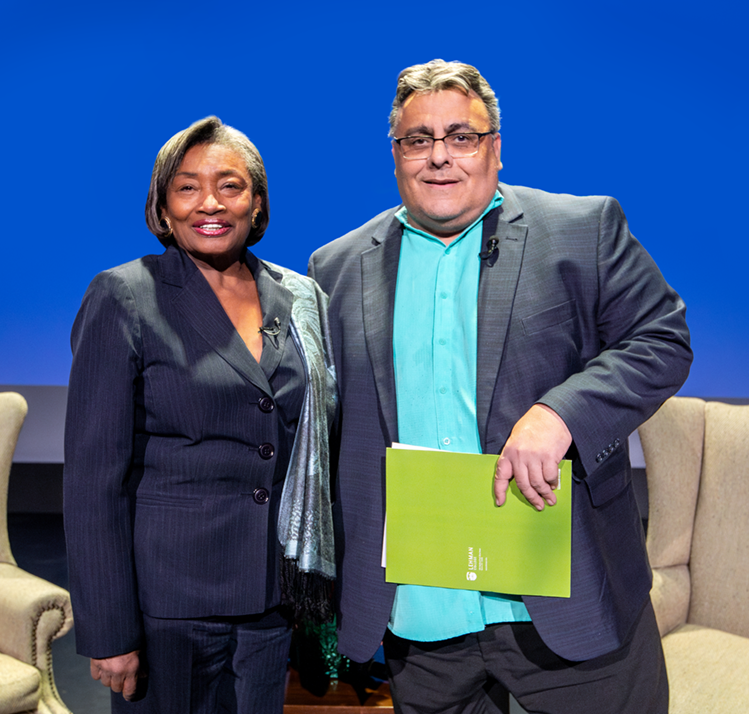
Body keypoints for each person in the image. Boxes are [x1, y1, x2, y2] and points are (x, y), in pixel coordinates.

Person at [308, 59, 692, 714]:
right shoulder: (336, 266)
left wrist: (561, 414)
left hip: (566, 605)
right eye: (418, 140)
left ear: (496, 148)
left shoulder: (582, 229)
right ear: (396, 153)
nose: (440, 157)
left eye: (462, 136)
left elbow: (661, 340)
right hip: (423, 617)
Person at [64, 116, 337, 713]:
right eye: (187, 187)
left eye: (230, 185)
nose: (209, 202)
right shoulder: (124, 295)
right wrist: (109, 632)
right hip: (169, 607)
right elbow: (92, 482)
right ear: (162, 209)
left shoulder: (300, 298)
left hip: (271, 600)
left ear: (257, 204)